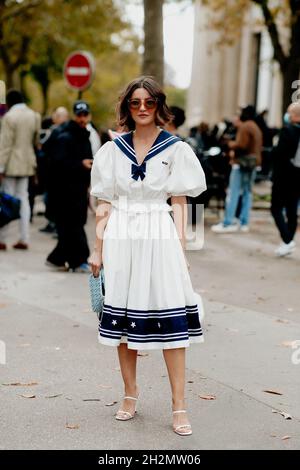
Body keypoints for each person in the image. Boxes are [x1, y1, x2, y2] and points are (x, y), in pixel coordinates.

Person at [89, 76, 206, 436]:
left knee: (173, 324)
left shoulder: (176, 149)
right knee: (123, 319)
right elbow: (104, 202)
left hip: (159, 233)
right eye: (135, 102)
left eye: (149, 102)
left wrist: (182, 251)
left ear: (159, 106)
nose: (142, 108)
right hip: (122, 234)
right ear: (127, 107)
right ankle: (129, 394)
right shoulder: (112, 150)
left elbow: (180, 202)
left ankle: (179, 404)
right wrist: (99, 247)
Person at [46, 101, 93, 272]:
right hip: (65, 191)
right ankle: (79, 260)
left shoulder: (83, 136)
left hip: (79, 189)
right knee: (73, 225)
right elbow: (57, 164)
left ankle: (58, 259)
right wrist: (80, 164)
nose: (82, 118)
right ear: (74, 115)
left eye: (85, 115)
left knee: (72, 226)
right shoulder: (65, 137)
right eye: (79, 115)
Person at [211, 106, 262, 233]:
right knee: (247, 193)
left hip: (241, 163)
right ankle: (243, 222)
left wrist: (230, 144)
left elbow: (241, 145)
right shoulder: (256, 127)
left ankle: (228, 222)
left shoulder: (244, 127)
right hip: (253, 163)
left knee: (233, 193)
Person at [0, 89, 41, 250]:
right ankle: (24, 238)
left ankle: (2, 238)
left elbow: (5, 144)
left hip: (11, 163)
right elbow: (36, 140)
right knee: (23, 199)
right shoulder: (34, 116)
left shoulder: (9, 117)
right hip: (27, 163)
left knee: (6, 200)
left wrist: (1, 167)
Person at [270, 102, 300, 257]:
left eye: (289, 112)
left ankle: (287, 240)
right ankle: (288, 241)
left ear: (295, 115)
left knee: (276, 208)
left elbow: (278, 153)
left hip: (283, 177)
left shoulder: (287, 131)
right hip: (297, 178)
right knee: (292, 211)